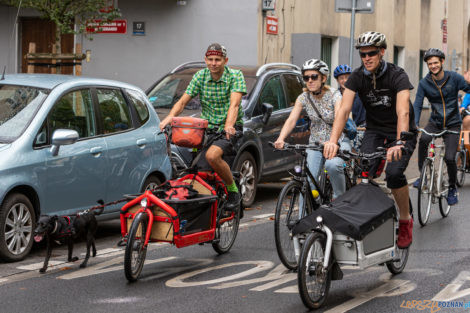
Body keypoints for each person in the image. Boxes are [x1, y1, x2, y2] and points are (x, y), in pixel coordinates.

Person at [323, 31, 417, 249]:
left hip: (400, 131)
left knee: (394, 174)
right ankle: (369, 217)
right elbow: (344, 110)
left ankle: (405, 219)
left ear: (382, 52)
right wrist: (333, 141)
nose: (367, 58)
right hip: (375, 130)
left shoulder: (397, 75)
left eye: (371, 53)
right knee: (362, 174)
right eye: (363, 54)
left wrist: (401, 141)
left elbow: (403, 111)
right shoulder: (357, 77)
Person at [159, 43, 246, 211]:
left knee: (213, 156)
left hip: (229, 128)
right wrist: (169, 118)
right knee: (197, 172)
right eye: (210, 59)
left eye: (217, 60)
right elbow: (183, 101)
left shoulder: (235, 76)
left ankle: (233, 190)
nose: (213, 63)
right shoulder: (200, 76)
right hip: (206, 129)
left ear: (225, 61)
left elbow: (234, 105)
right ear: (205, 60)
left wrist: (229, 125)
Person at [274, 59, 351, 200]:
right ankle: (304, 217)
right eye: (306, 77)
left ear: (323, 78)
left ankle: (340, 199)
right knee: (307, 181)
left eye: (314, 77)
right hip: (315, 143)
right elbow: (291, 120)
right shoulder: (303, 97)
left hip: (337, 141)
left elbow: (341, 115)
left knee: (332, 165)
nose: (310, 80)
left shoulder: (335, 95)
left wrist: (333, 142)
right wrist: (281, 138)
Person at [413, 48, 470, 205]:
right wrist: (415, 123)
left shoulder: (454, 78)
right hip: (435, 122)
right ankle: (422, 175)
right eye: (430, 63)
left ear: (442, 62)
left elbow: (468, 89)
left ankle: (452, 188)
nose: (433, 66)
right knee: (423, 139)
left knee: (450, 157)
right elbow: (417, 104)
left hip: (453, 123)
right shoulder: (425, 83)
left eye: (435, 63)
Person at [334, 64, 366, 151]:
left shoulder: (360, 93)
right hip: (343, 130)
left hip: (360, 128)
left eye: (347, 77)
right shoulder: (335, 96)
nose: (345, 80)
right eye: (341, 78)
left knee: (358, 153)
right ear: (337, 80)